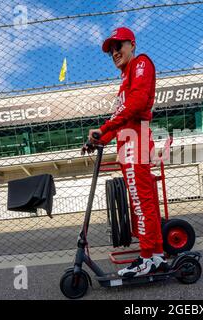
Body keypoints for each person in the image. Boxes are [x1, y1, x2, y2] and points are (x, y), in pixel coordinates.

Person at [87, 27, 166, 278]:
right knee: (143, 202)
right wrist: (101, 138)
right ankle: (156, 255)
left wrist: (104, 129)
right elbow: (118, 118)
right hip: (127, 141)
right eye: (111, 49)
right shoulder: (124, 78)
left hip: (135, 141)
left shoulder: (141, 63)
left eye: (118, 46)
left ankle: (146, 258)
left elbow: (138, 103)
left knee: (141, 204)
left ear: (132, 44)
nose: (114, 52)